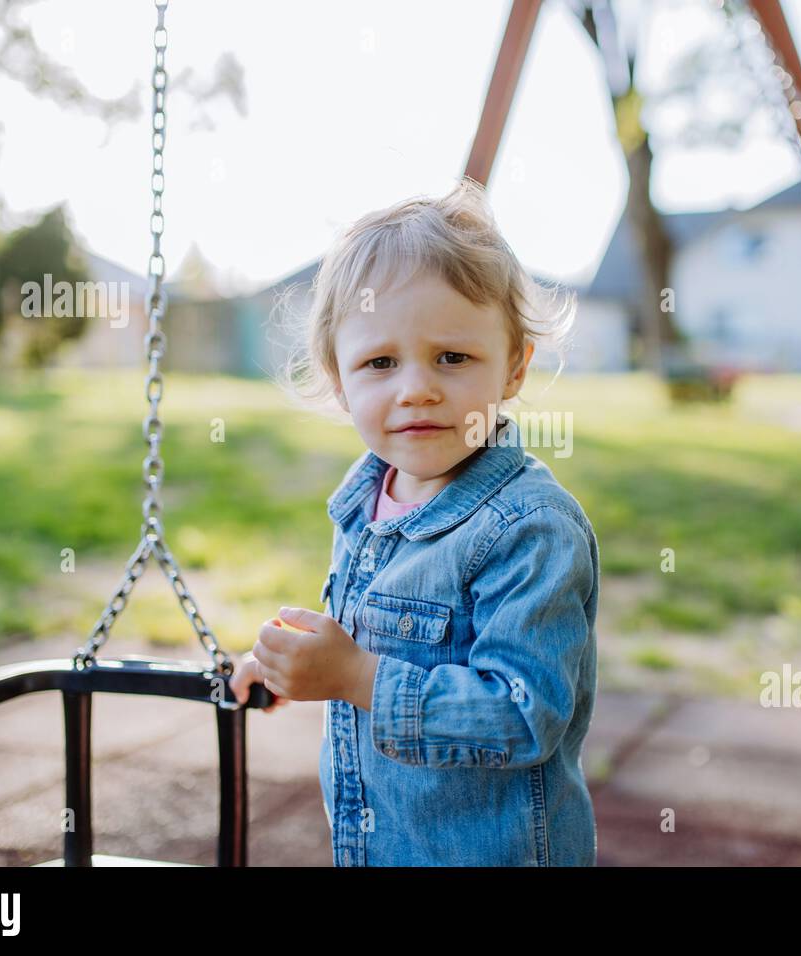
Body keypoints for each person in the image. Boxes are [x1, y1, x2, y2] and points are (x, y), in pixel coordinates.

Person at [229, 178, 600, 865]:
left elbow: (522, 714)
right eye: (379, 362)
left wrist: (354, 679)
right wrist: (286, 663)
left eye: (453, 357)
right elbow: (366, 633)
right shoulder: (368, 499)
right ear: (339, 381)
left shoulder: (530, 530)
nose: (416, 388)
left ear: (514, 367)